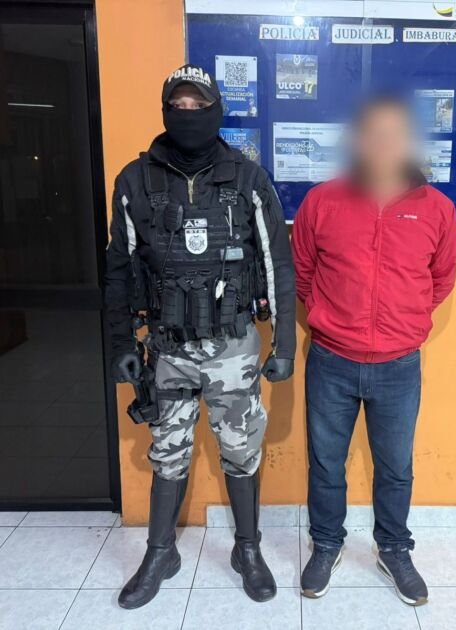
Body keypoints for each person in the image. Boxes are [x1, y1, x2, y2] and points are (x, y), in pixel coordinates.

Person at [104, 64, 295, 609]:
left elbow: (278, 264)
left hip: (233, 346)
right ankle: (160, 553)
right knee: (168, 452)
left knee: (241, 450)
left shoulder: (248, 179)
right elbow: (118, 271)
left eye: (198, 105)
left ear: (216, 111)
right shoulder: (134, 181)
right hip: (167, 348)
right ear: (166, 111)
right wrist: (121, 343)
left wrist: (283, 344)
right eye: (179, 106)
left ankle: (247, 550)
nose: (188, 114)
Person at [291, 95, 456, 606]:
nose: (384, 144)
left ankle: (394, 549)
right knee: (326, 464)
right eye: (374, 133)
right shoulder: (322, 202)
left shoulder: (438, 209)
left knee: (395, 468)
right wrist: (335, 318)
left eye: (395, 133)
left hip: (398, 366)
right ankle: (326, 544)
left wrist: (402, 322)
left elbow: (440, 280)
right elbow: (303, 274)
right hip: (331, 361)